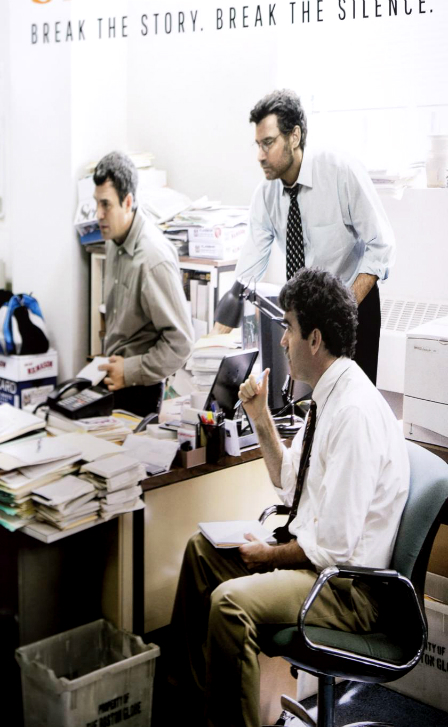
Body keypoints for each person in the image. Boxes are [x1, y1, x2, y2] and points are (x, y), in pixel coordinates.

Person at [171, 268, 409, 727]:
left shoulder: (354, 413)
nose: (282, 341)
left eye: (289, 328)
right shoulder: (327, 397)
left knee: (229, 605)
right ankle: (187, 711)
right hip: (319, 565)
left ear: (314, 339)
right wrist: (259, 416)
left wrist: (270, 555)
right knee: (201, 553)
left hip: (346, 588)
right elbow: (289, 482)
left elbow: (334, 547)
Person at [215, 89, 395, 385]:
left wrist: (343, 308)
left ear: (294, 136)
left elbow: (382, 246)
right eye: (258, 145)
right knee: (312, 402)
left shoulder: (339, 171)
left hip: (353, 303)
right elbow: (249, 268)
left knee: (352, 399)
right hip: (307, 316)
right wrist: (217, 334)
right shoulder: (266, 194)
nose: (260, 156)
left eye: (268, 143)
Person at [93, 151, 194, 417]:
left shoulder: (152, 258)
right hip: (114, 381)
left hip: (140, 390)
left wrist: (129, 371)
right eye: (96, 203)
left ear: (127, 202)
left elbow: (181, 343)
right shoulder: (114, 240)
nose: (98, 214)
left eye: (106, 205)